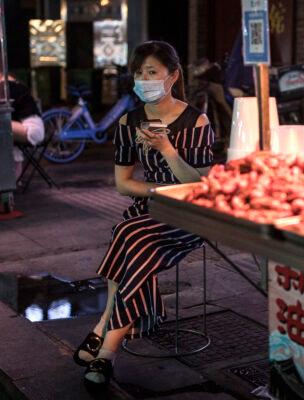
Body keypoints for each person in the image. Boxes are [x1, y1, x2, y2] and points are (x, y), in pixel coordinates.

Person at [73, 41, 215, 389]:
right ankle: (109, 341)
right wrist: (155, 193)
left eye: (152, 72)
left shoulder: (196, 121)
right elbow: (123, 184)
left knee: (129, 235)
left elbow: (201, 185)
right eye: (138, 73)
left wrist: (167, 150)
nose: (144, 80)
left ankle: (105, 341)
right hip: (151, 208)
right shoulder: (129, 122)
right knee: (129, 233)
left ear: (173, 76)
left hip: (189, 215)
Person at [0, 51, 44, 178]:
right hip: (18, 125)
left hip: (31, 128)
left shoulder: (9, 85)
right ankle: (6, 178)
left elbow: (4, 113)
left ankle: (10, 180)